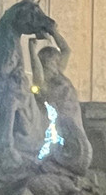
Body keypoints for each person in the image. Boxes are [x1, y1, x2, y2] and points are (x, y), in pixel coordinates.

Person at [28, 28, 92, 175]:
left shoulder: (59, 73)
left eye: (56, 59)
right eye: (52, 59)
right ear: (45, 62)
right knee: (72, 149)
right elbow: (35, 67)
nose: (56, 62)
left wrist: (53, 31)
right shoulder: (43, 81)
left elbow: (66, 50)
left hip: (74, 116)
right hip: (63, 121)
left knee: (82, 148)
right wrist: (31, 48)